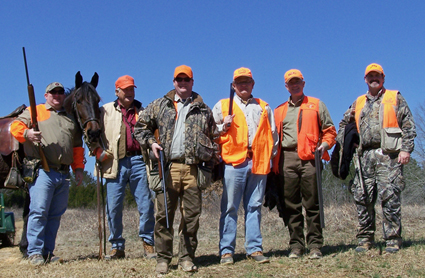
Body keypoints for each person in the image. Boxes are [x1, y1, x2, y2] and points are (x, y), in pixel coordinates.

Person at [134, 65, 218, 275]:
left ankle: (187, 258)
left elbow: (215, 139)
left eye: (186, 79)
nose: (182, 83)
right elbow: (139, 127)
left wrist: (208, 165)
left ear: (192, 82)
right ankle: (163, 259)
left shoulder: (204, 109)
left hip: (192, 170)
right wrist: (151, 143)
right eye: (178, 79)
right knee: (164, 216)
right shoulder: (159, 105)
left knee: (191, 217)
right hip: (167, 168)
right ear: (173, 82)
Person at [337, 63, 416, 253]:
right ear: (365, 79)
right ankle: (365, 239)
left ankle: (392, 239)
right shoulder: (358, 102)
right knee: (362, 196)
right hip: (364, 156)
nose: (374, 79)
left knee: (390, 197)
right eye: (370, 76)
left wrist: (405, 150)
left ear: (383, 78)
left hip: (389, 155)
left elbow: (408, 126)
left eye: (377, 76)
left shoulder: (395, 97)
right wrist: (348, 143)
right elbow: (343, 125)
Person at [10, 82, 85, 265]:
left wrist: (79, 169)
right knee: (39, 211)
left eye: (60, 92)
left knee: (55, 214)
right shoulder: (35, 111)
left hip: (63, 173)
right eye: (53, 92)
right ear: (46, 95)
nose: (57, 95)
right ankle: (34, 252)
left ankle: (47, 252)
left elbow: (76, 147)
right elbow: (15, 126)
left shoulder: (69, 118)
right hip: (43, 171)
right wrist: (27, 133)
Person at [213, 67, 278, 265]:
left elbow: (272, 135)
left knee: (254, 206)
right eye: (239, 82)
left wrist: (269, 157)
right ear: (233, 86)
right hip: (234, 162)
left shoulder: (263, 106)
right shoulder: (223, 105)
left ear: (253, 84)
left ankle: (254, 248)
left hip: (258, 161)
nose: (243, 85)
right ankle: (226, 251)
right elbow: (211, 132)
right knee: (230, 207)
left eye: (247, 81)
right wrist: (222, 125)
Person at [272, 69, 336, 259]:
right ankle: (296, 246)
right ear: (286, 86)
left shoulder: (316, 105)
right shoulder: (279, 110)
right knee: (291, 205)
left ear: (304, 83)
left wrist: (324, 145)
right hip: (286, 159)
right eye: (291, 82)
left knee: (312, 204)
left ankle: (315, 245)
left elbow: (330, 131)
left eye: (298, 81)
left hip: (310, 159)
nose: (295, 85)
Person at [94, 75, 155, 260]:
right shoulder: (104, 111)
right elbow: (91, 133)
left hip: (138, 161)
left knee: (146, 205)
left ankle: (148, 243)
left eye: (132, 89)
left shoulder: (142, 111)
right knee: (113, 207)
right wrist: (97, 152)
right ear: (116, 91)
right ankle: (117, 247)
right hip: (114, 163)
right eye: (126, 89)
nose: (129, 92)